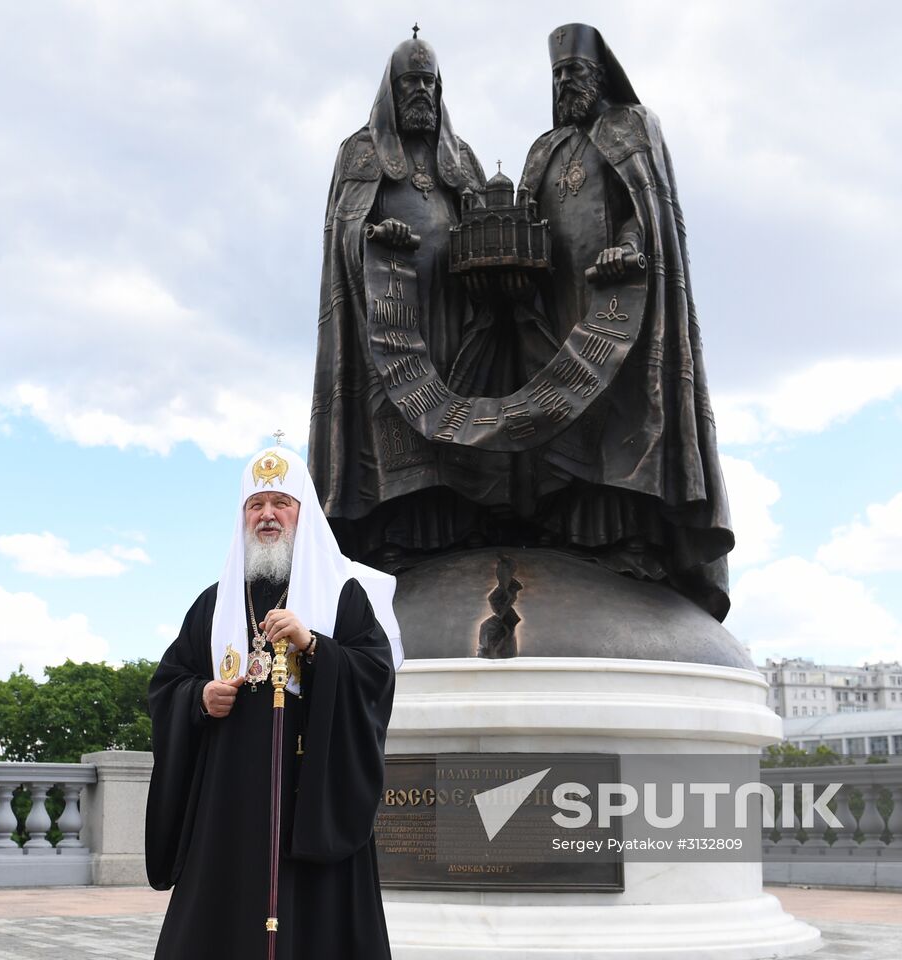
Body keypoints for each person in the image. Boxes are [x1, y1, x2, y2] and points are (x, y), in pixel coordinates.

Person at [513, 22, 735, 618]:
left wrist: (630, 244)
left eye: (575, 73)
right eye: (558, 75)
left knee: (625, 420)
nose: (566, 84)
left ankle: (634, 541)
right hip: (557, 306)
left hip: (623, 306)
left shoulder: (632, 127)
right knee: (559, 417)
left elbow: (649, 210)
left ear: (599, 75)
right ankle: (565, 532)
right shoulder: (544, 148)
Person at [145, 444, 401, 959]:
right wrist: (199, 697)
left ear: (302, 514)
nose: (267, 515)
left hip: (310, 798)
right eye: (255, 504)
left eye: (280, 503)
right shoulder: (214, 603)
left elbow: (376, 675)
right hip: (228, 801)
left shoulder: (341, 594)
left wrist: (315, 648)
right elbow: (167, 683)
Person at [308, 31, 511, 571]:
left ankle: (464, 524)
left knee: (458, 407)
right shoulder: (360, 150)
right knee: (393, 414)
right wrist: (377, 234)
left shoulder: (460, 156)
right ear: (391, 91)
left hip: (455, 309)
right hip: (389, 310)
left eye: (428, 83)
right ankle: (395, 533)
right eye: (410, 84)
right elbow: (344, 228)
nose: (420, 92)